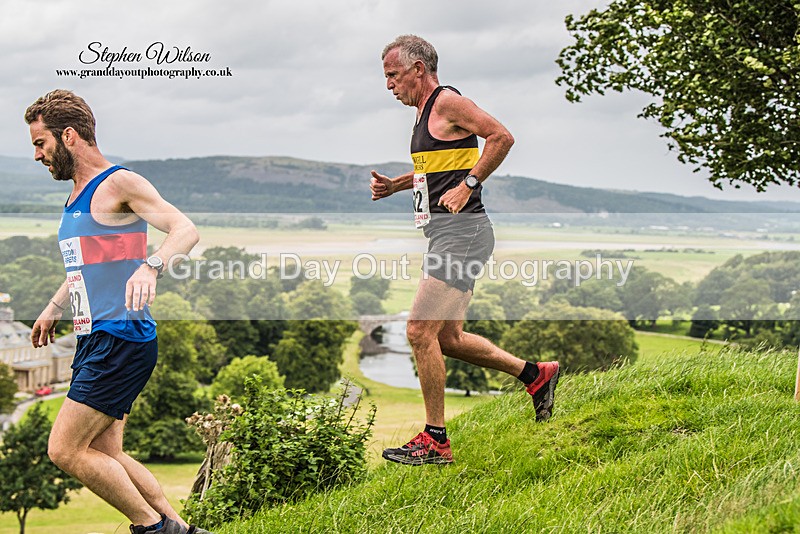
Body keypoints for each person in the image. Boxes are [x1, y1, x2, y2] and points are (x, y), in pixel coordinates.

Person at [26, 90, 210, 534]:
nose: (36, 155)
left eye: (40, 143)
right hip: (98, 338)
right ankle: (178, 528)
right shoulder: (76, 196)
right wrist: (53, 308)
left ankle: (152, 528)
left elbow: (185, 229)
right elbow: (84, 267)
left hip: (120, 339)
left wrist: (152, 265)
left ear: (68, 136)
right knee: (107, 454)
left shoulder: (119, 183)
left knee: (65, 450)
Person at [371, 35, 560, 465]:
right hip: (451, 234)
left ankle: (435, 440)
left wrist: (469, 184)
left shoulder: (446, 102)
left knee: (419, 332)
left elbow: (501, 137)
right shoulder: (424, 114)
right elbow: (433, 170)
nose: (388, 85)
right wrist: (395, 186)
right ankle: (535, 375)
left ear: (418, 69)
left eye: (392, 75)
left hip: (463, 233)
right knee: (449, 338)